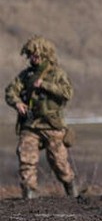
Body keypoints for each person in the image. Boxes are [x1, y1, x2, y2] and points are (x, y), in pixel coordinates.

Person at [5, 36, 77, 199]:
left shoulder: (57, 74)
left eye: (35, 55)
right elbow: (11, 91)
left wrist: (44, 85)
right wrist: (17, 103)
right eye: (30, 55)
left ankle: (71, 189)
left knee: (59, 163)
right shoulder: (26, 75)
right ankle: (29, 193)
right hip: (31, 125)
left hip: (52, 125)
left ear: (44, 54)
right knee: (26, 158)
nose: (32, 58)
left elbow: (67, 93)